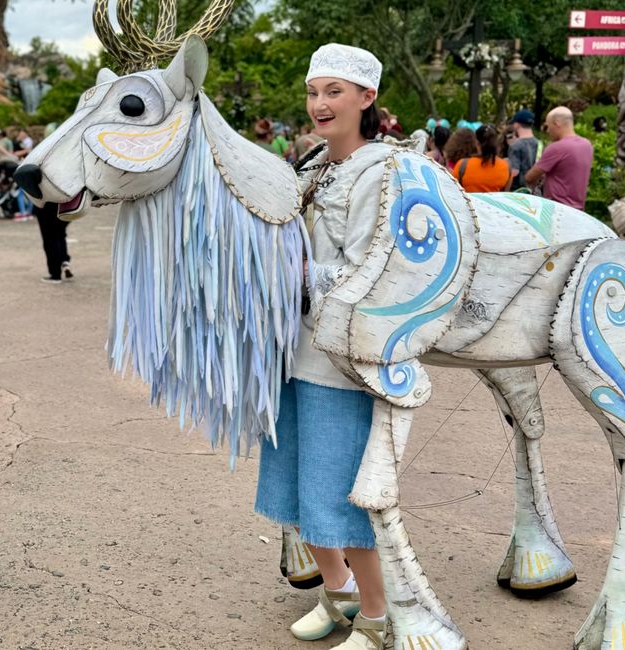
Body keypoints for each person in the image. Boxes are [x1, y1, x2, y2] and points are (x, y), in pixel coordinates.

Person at [264, 42, 391, 650]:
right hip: (293, 351)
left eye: (334, 92)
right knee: (295, 488)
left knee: (338, 492)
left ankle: (378, 616)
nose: (320, 103)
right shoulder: (311, 167)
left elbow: (376, 268)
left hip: (341, 359)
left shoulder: (382, 172)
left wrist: (298, 274)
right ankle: (338, 593)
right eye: (314, 92)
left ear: (367, 97)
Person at [526, 107, 593, 209]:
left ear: (556, 123)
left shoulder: (557, 147)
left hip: (557, 208)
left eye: (548, 126)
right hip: (578, 210)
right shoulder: (587, 145)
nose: (548, 131)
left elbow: (530, 177)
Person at [449, 124, 510, 193]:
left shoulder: (463, 165)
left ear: (476, 143)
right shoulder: (506, 167)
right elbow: (505, 193)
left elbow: (453, 191)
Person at [33, 199, 73, 284]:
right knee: (60, 234)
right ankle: (64, 260)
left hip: (46, 205)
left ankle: (55, 274)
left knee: (50, 239)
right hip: (66, 204)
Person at [506, 110, 541, 191]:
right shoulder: (540, 144)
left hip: (519, 191)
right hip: (536, 191)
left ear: (517, 125)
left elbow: (514, 172)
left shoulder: (515, 145)